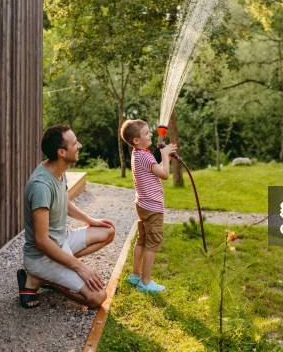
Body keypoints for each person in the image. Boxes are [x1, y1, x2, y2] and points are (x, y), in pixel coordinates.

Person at [17, 125, 116, 308]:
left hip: (62, 241)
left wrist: (90, 221)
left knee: (108, 231)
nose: (79, 145)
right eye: (74, 143)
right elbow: (41, 240)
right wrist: (80, 267)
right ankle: (42, 278)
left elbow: (64, 202)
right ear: (62, 152)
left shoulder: (57, 170)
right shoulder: (41, 187)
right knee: (97, 297)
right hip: (42, 257)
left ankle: (47, 276)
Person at [120, 120, 176, 293]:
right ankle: (145, 282)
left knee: (142, 240)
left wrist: (163, 157)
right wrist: (165, 156)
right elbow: (165, 174)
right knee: (153, 243)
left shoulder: (138, 154)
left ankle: (135, 275)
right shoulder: (146, 156)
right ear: (136, 140)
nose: (150, 134)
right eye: (146, 133)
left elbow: (155, 171)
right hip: (153, 208)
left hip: (143, 205)